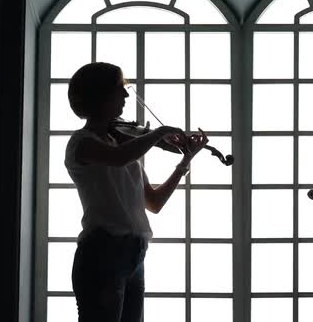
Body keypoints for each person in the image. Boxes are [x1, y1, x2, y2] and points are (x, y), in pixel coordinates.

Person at [64, 62, 208, 322]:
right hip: (102, 252)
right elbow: (118, 158)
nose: (127, 96)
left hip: (135, 253)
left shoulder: (123, 145)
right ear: (101, 94)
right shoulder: (82, 143)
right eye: (120, 89)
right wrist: (158, 134)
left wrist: (184, 162)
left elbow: (153, 203)